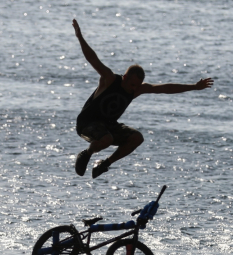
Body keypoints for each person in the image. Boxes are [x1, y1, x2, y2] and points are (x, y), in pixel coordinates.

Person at [71, 19, 214, 179]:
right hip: (86, 124)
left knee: (136, 138)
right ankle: (87, 154)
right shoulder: (109, 79)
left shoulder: (137, 90)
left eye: (136, 86)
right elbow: (93, 59)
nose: (133, 88)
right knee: (107, 138)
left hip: (108, 126)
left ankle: (105, 164)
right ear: (124, 77)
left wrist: (194, 86)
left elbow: (165, 88)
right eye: (131, 84)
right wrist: (79, 36)